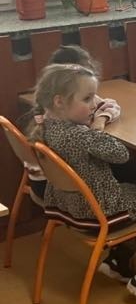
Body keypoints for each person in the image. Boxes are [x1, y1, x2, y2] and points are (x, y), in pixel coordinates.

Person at [32, 63, 136, 304]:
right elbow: (121, 154)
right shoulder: (79, 135)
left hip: (69, 207)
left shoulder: (45, 127)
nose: (93, 105)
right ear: (59, 102)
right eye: (87, 99)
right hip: (98, 213)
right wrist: (97, 126)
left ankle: (120, 260)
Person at [22, 45, 121, 201]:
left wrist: (100, 119)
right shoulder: (70, 129)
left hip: (42, 186)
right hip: (67, 194)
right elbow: (120, 154)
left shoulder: (48, 106)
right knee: (119, 168)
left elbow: (110, 105)